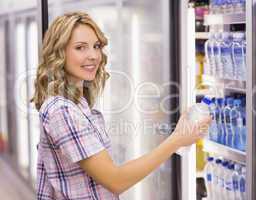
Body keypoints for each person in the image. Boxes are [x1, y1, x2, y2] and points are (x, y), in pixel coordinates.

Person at [31, 11, 211, 200]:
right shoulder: (62, 110)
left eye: (96, 46)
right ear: (59, 53)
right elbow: (116, 181)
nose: (93, 55)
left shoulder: (77, 104)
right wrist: (176, 140)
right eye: (80, 47)